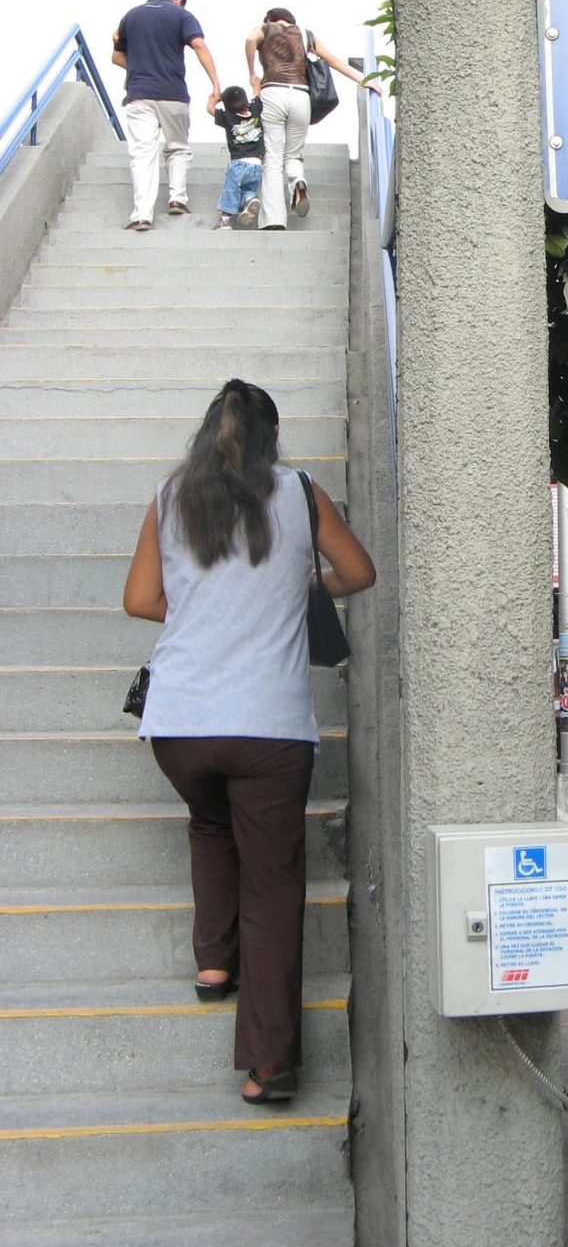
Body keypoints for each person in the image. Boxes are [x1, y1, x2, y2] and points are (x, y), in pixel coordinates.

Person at [122, 380, 375, 1103]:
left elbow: (140, 600)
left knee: (208, 823)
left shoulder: (172, 496)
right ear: (273, 436)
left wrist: (207, 607)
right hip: (267, 728)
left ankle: (212, 962)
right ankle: (268, 1064)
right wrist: (297, 586)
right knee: (272, 886)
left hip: (178, 727)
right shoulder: (300, 493)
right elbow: (359, 573)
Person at [243, 7, 372, 230]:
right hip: (301, 96)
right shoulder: (306, 34)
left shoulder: (266, 28)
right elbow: (331, 60)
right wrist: (364, 81)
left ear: (272, 19)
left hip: (273, 92)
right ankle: (298, 182)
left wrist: (252, 72)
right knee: (293, 153)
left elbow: (249, 39)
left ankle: (274, 220)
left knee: (273, 158)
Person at [112, 0, 222, 230]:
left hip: (139, 94)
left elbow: (116, 56)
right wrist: (215, 83)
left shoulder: (131, 15)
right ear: (179, 0)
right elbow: (199, 45)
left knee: (142, 155)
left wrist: (141, 67)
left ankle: (141, 215)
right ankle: (177, 199)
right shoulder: (181, 15)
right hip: (173, 94)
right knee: (178, 148)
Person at [212, 85, 265, 229]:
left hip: (239, 164)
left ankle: (225, 220)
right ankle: (249, 200)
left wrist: (215, 98)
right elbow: (258, 95)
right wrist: (255, 85)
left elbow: (209, 109)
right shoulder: (255, 110)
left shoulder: (228, 117)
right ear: (246, 102)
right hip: (257, 165)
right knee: (248, 188)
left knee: (231, 189)